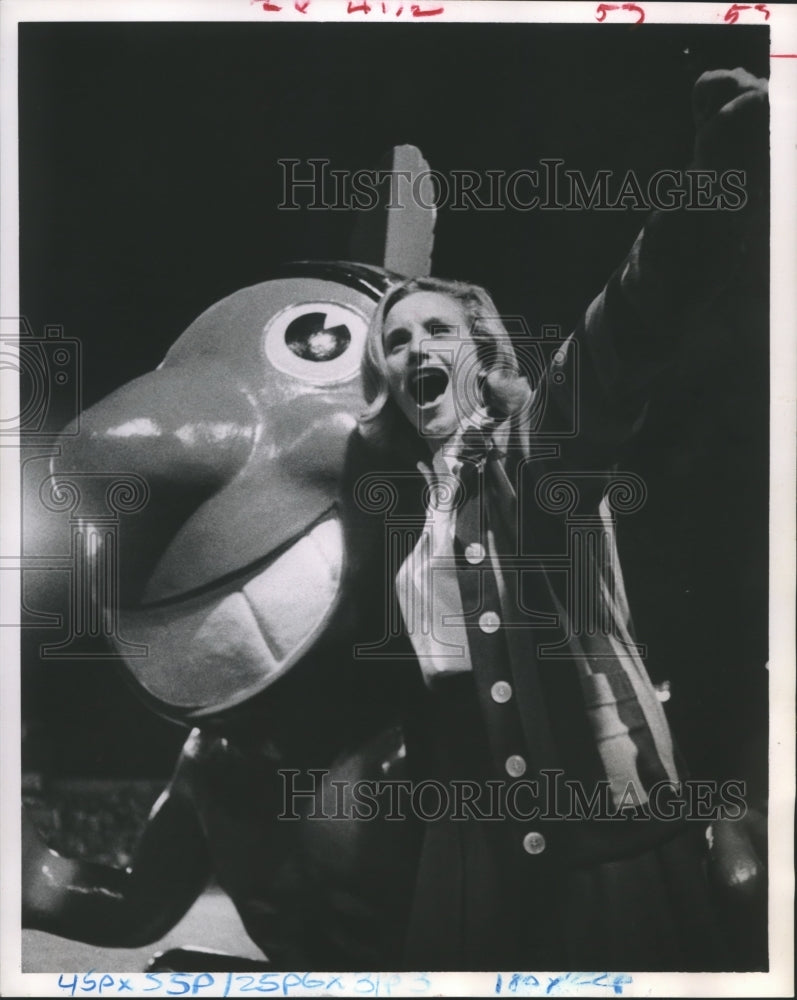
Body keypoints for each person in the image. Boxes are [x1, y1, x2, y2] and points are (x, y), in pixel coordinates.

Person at [23, 66, 768, 972]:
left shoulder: (538, 458)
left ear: (484, 351)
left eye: (436, 332)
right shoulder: (409, 517)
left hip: (591, 833)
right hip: (475, 860)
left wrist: (709, 193)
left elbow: (633, 325)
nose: (415, 347)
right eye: (397, 339)